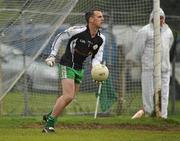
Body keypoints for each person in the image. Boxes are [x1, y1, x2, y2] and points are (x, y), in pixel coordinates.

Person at [42, 8, 105, 133]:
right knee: (68, 95)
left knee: (71, 97)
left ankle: (49, 115)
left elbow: (96, 58)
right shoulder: (77, 31)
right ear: (91, 19)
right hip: (67, 64)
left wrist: (97, 73)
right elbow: (60, 37)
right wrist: (52, 55)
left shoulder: (101, 38)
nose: (102, 19)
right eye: (99, 17)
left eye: (102, 17)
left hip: (79, 68)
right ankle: (49, 124)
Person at [128, 8, 174, 119]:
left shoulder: (168, 31)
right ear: (152, 18)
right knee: (148, 93)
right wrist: (145, 62)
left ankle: (163, 116)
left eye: (162, 18)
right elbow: (137, 51)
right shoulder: (144, 31)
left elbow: (169, 45)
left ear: (164, 18)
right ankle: (149, 114)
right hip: (149, 68)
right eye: (158, 17)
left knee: (164, 94)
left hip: (164, 68)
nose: (160, 20)